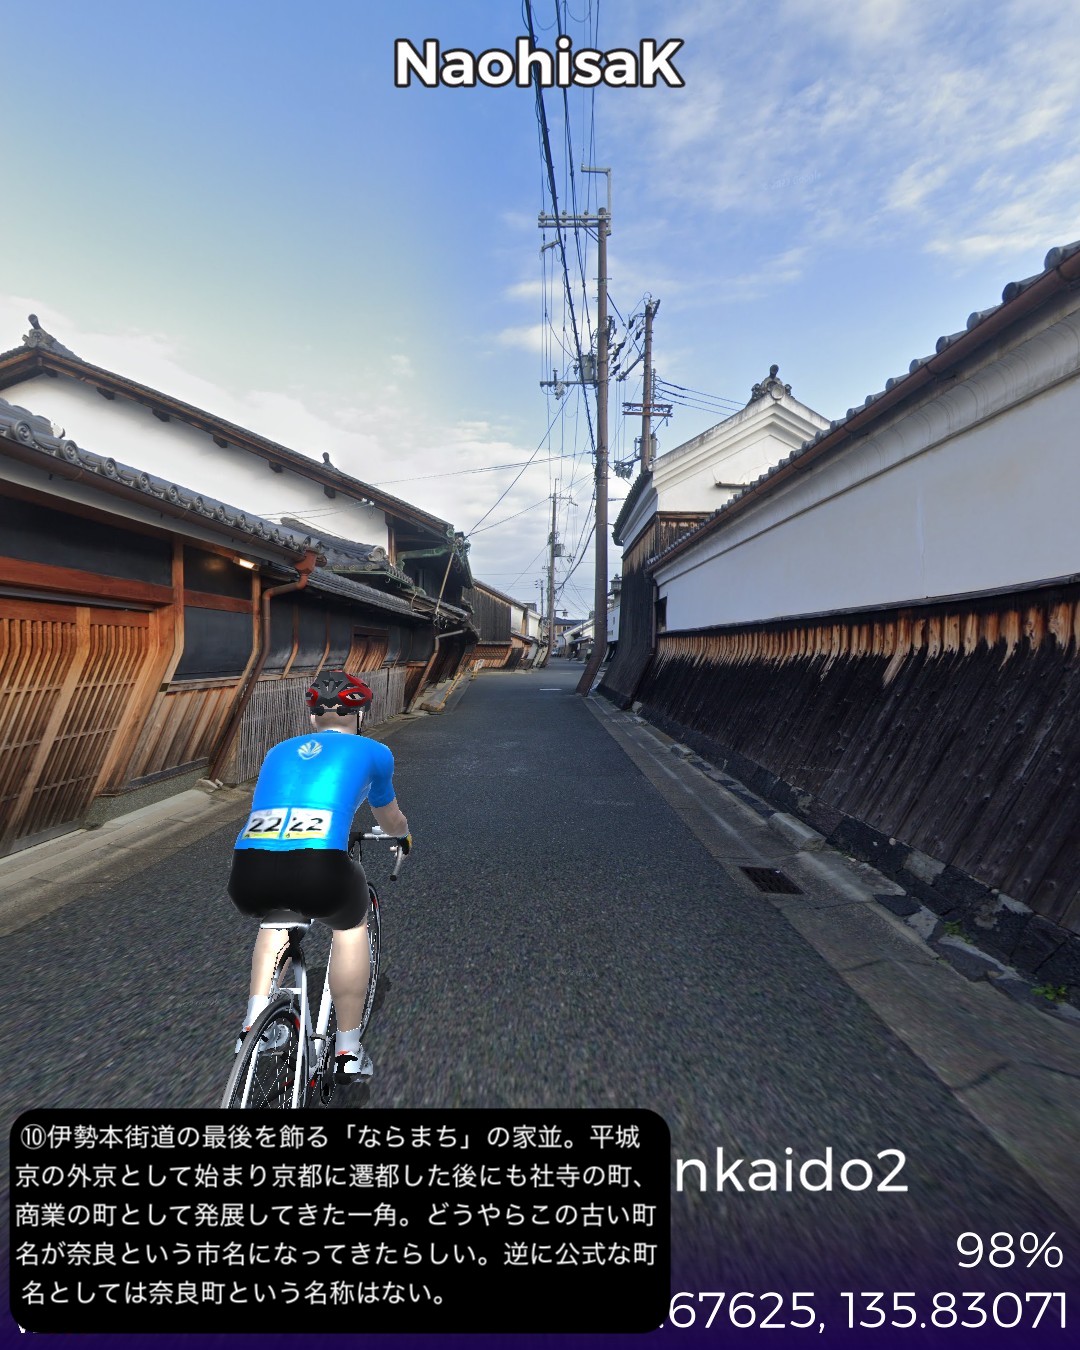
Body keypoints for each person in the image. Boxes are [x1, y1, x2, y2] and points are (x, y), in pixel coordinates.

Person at [227, 670, 412, 1079]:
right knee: (350, 928)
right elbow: (390, 817)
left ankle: (254, 1024)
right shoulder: (375, 751)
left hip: (248, 867)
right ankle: (347, 1050)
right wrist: (402, 836)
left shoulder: (277, 751)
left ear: (313, 717)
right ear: (360, 715)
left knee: (277, 918)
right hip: (319, 866)